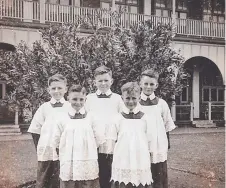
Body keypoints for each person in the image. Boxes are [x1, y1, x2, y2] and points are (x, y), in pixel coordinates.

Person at [52, 85, 103, 188]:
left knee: (88, 182)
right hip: (68, 159)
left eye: (81, 99)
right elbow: (56, 140)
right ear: (68, 99)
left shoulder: (91, 117)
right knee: (69, 182)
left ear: (85, 100)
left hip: (87, 158)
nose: (78, 102)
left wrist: (88, 147)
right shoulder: (62, 118)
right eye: (74, 99)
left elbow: (99, 138)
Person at [109, 82, 156, 188]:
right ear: (122, 98)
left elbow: (150, 140)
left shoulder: (145, 118)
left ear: (139, 98)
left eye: (134, 98)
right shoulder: (117, 118)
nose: (131, 101)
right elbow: (112, 140)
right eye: (128, 98)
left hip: (140, 158)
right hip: (123, 159)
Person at [28, 73, 70, 188]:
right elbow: (35, 130)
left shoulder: (70, 107)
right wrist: (41, 148)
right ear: (48, 90)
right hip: (47, 149)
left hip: (65, 150)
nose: (56, 91)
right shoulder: (44, 108)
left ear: (66, 89)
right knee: (44, 178)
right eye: (53, 88)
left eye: (60, 88)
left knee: (62, 178)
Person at [85, 65, 124, 188]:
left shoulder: (118, 99)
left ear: (111, 81)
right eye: (100, 80)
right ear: (94, 82)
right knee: (96, 171)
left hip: (111, 142)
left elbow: (122, 119)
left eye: (106, 80)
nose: (103, 83)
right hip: (93, 142)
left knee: (111, 171)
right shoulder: (89, 99)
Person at [139, 69, 176, 188]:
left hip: (158, 145)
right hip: (142, 145)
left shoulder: (162, 104)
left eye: (151, 84)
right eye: (145, 83)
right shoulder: (136, 104)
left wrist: (166, 145)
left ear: (156, 85)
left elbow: (167, 125)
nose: (148, 87)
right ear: (140, 84)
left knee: (159, 176)